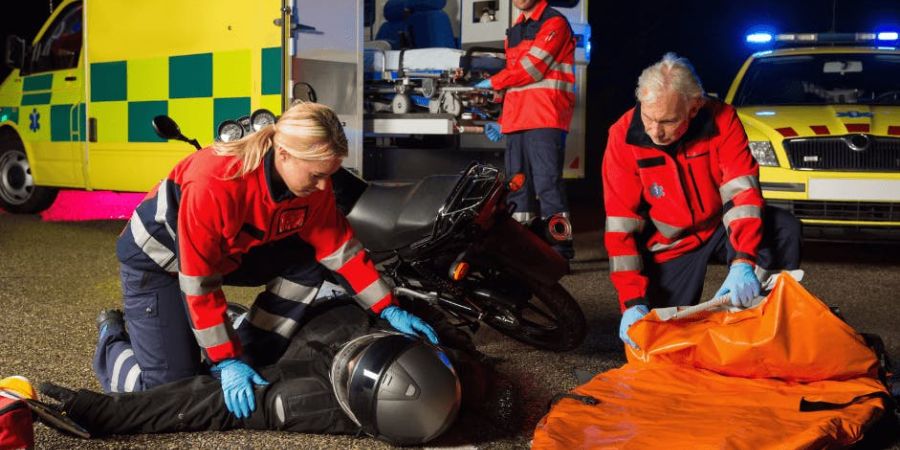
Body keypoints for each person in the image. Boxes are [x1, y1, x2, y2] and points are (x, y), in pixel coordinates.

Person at [94, 102, 438, 420]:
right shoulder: (215, 182)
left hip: (227, 255)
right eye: (316, 175)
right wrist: (225, 360)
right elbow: (199, 281)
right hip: (158, 262)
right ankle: (112, 335)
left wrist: (387, 307)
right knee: (169, 389)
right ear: (284, 154)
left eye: (328, 175)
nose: (323, 187)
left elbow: (340, 249)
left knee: (307, 258)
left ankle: (250, 341)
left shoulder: (312, 185)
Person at [42, 302, 492, 446]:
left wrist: (98, 413)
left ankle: (110, 335)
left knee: (149, 384)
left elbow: (201, 401)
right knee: (237, 327)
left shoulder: (309, 403)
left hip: (285, 359)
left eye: (353, 371)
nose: (350, 360)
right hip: (303, 315)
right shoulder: (445, 371)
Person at [602, 53, 801, 349]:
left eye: (668, 121)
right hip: (670, 245)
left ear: (694, 107)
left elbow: (742, 196)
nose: (655, 132)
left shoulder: (723, 119)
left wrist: (743, 261)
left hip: (719, 226)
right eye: (648, 118)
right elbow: (620, 227)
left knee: (784, 228)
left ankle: (761, 320)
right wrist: (631, 301)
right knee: (664, 340)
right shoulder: (622, 136)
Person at [476, 0, 577, 259]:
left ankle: (560, 247)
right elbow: (515, 83)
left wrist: (494, 81)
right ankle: (526, 247)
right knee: (517, 187)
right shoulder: (516, 29)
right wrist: (502, 120)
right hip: (518, 119)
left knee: (548, 185)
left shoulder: (554, 23)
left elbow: (532, 69)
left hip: (546, 117)